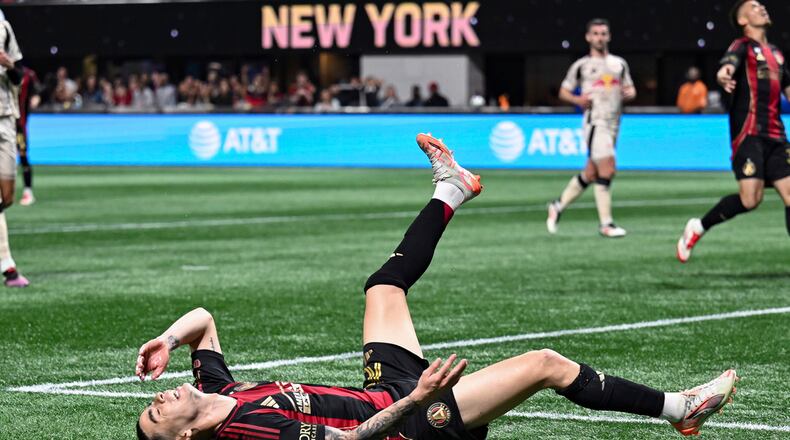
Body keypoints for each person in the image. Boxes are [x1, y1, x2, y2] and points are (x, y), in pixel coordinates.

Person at [135, 133, 737, 440]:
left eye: (151, 404)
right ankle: (682, 410)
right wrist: (418, 399)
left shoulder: (216, 391)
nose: (156, 402)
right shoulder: (249, 432)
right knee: (545, 365)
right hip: (409, 421)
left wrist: (166, 338)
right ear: (186, 437)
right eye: (156, 420)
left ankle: (449, 189)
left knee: (382, 288)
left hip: (385, 390)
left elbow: (204, 319)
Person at [676, 0, 790, 263]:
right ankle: (698, 226)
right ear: (743, 20)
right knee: (750, 200)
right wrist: (723, 75)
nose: (762, 7)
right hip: (748, 134)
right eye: (754, 6)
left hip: (777, 136)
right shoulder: (742, 46)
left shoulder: (776, 53)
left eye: (762, 4)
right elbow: (727, 66)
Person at [547, 18, 636, 238]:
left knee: (591, 172)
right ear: (588, 37)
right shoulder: (581, 65)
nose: (599, 37)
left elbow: (631, 89)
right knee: (608, 168)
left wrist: (630, 93)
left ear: (609, 36)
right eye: (595, 33)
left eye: (603, 33)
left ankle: (557, 206)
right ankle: (606, 224)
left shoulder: (619, 64)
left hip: (615, 122)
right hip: (595, 122)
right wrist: (577, 100)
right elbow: (563, 91)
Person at [0, 17, 29, 287]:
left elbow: (19, 77)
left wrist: (8, 64)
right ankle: (8, 266)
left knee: (5, 198)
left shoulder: (5, 28)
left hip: (6, 117)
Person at [17, 66, 39, 206]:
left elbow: (36, 93)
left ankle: (28, 191)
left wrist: (37, 98)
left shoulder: (27, 75)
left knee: (23, 156)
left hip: (19, 126)